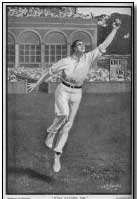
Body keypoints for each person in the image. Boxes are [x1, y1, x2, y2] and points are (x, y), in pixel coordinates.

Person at [27, 19, 121, 173]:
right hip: (63, 90)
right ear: (73, 48)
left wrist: (115, 30)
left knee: (68, 125)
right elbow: (48, 72)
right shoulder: (65, 61)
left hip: (77, 93)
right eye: (79, 44)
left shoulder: (89, 57)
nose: (83, 46)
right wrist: (37, 84)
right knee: (63, 114)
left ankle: (57, 155)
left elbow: (104, 45)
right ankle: (51, 133)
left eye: (84, 44)